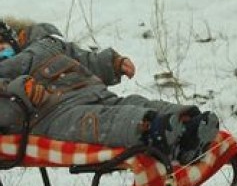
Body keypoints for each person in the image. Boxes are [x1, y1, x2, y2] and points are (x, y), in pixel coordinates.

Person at [0, 17, 218, 165]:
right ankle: (155, 129)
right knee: (103, 121)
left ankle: (188, 124)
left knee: (132, 102)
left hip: (90, 91)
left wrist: (109, 63)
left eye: (2, 44)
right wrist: (19, 91)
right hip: (51, 115)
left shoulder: (44, 45)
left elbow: (82, 58)